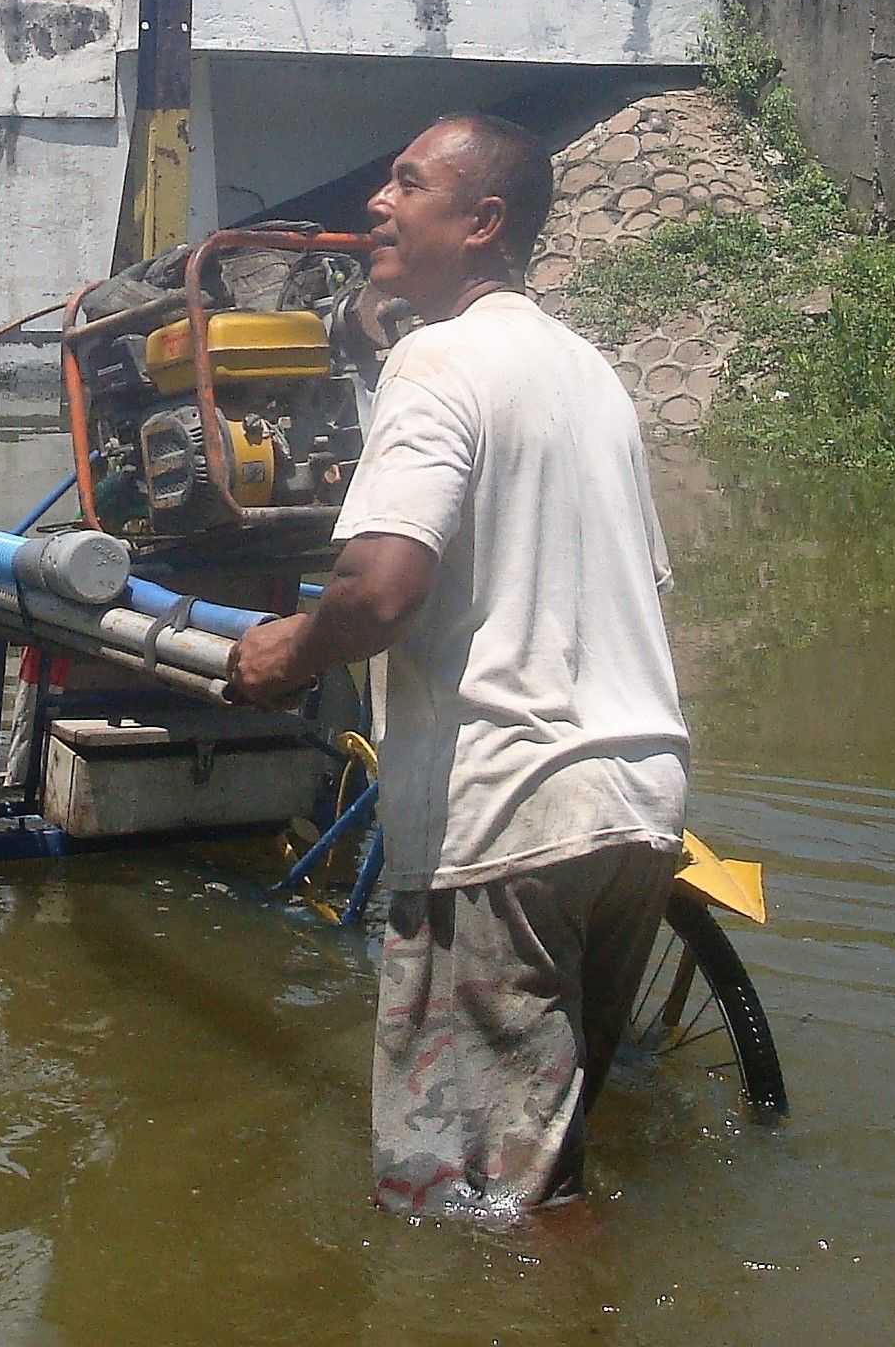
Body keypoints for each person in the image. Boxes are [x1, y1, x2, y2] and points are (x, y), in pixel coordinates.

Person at [227, 113, 690, 1221]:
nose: (377, 204)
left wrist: (288, 649)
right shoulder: (589, 373)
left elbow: (381, 586)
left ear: (482, 224)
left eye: (407, 184)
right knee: (551, 1167)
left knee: (472, 1207)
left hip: (509, 821)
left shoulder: (439, 359)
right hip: (637, 803)